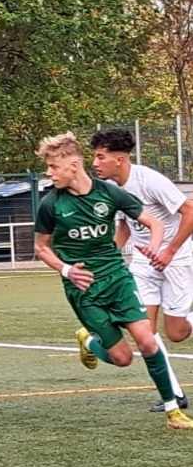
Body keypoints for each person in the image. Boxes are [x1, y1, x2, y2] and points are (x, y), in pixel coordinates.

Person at [33, 131, 193, 430]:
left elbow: (153, 222)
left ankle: (173, 410)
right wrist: (66, 270)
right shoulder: (50, 204)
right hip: (83, 289)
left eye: (53, 167)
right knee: (122, 358)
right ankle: (89, 340)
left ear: (73, 165)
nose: (49, 173)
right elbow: (41, 247)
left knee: (148, 341)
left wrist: (156, 247)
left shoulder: (109, 193)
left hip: (118, 279)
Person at [90, 127, 193, 412]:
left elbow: (190, 212)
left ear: (120, 159)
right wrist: (106, 258)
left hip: (177, 260)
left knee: (177, 333)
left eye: (100, 157)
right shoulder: (111, 189)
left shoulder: (149, 180)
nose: (95, 163)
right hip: (143, 264)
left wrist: (169, 252)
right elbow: (125, 226)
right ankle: (174, 394)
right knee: (144, 331)